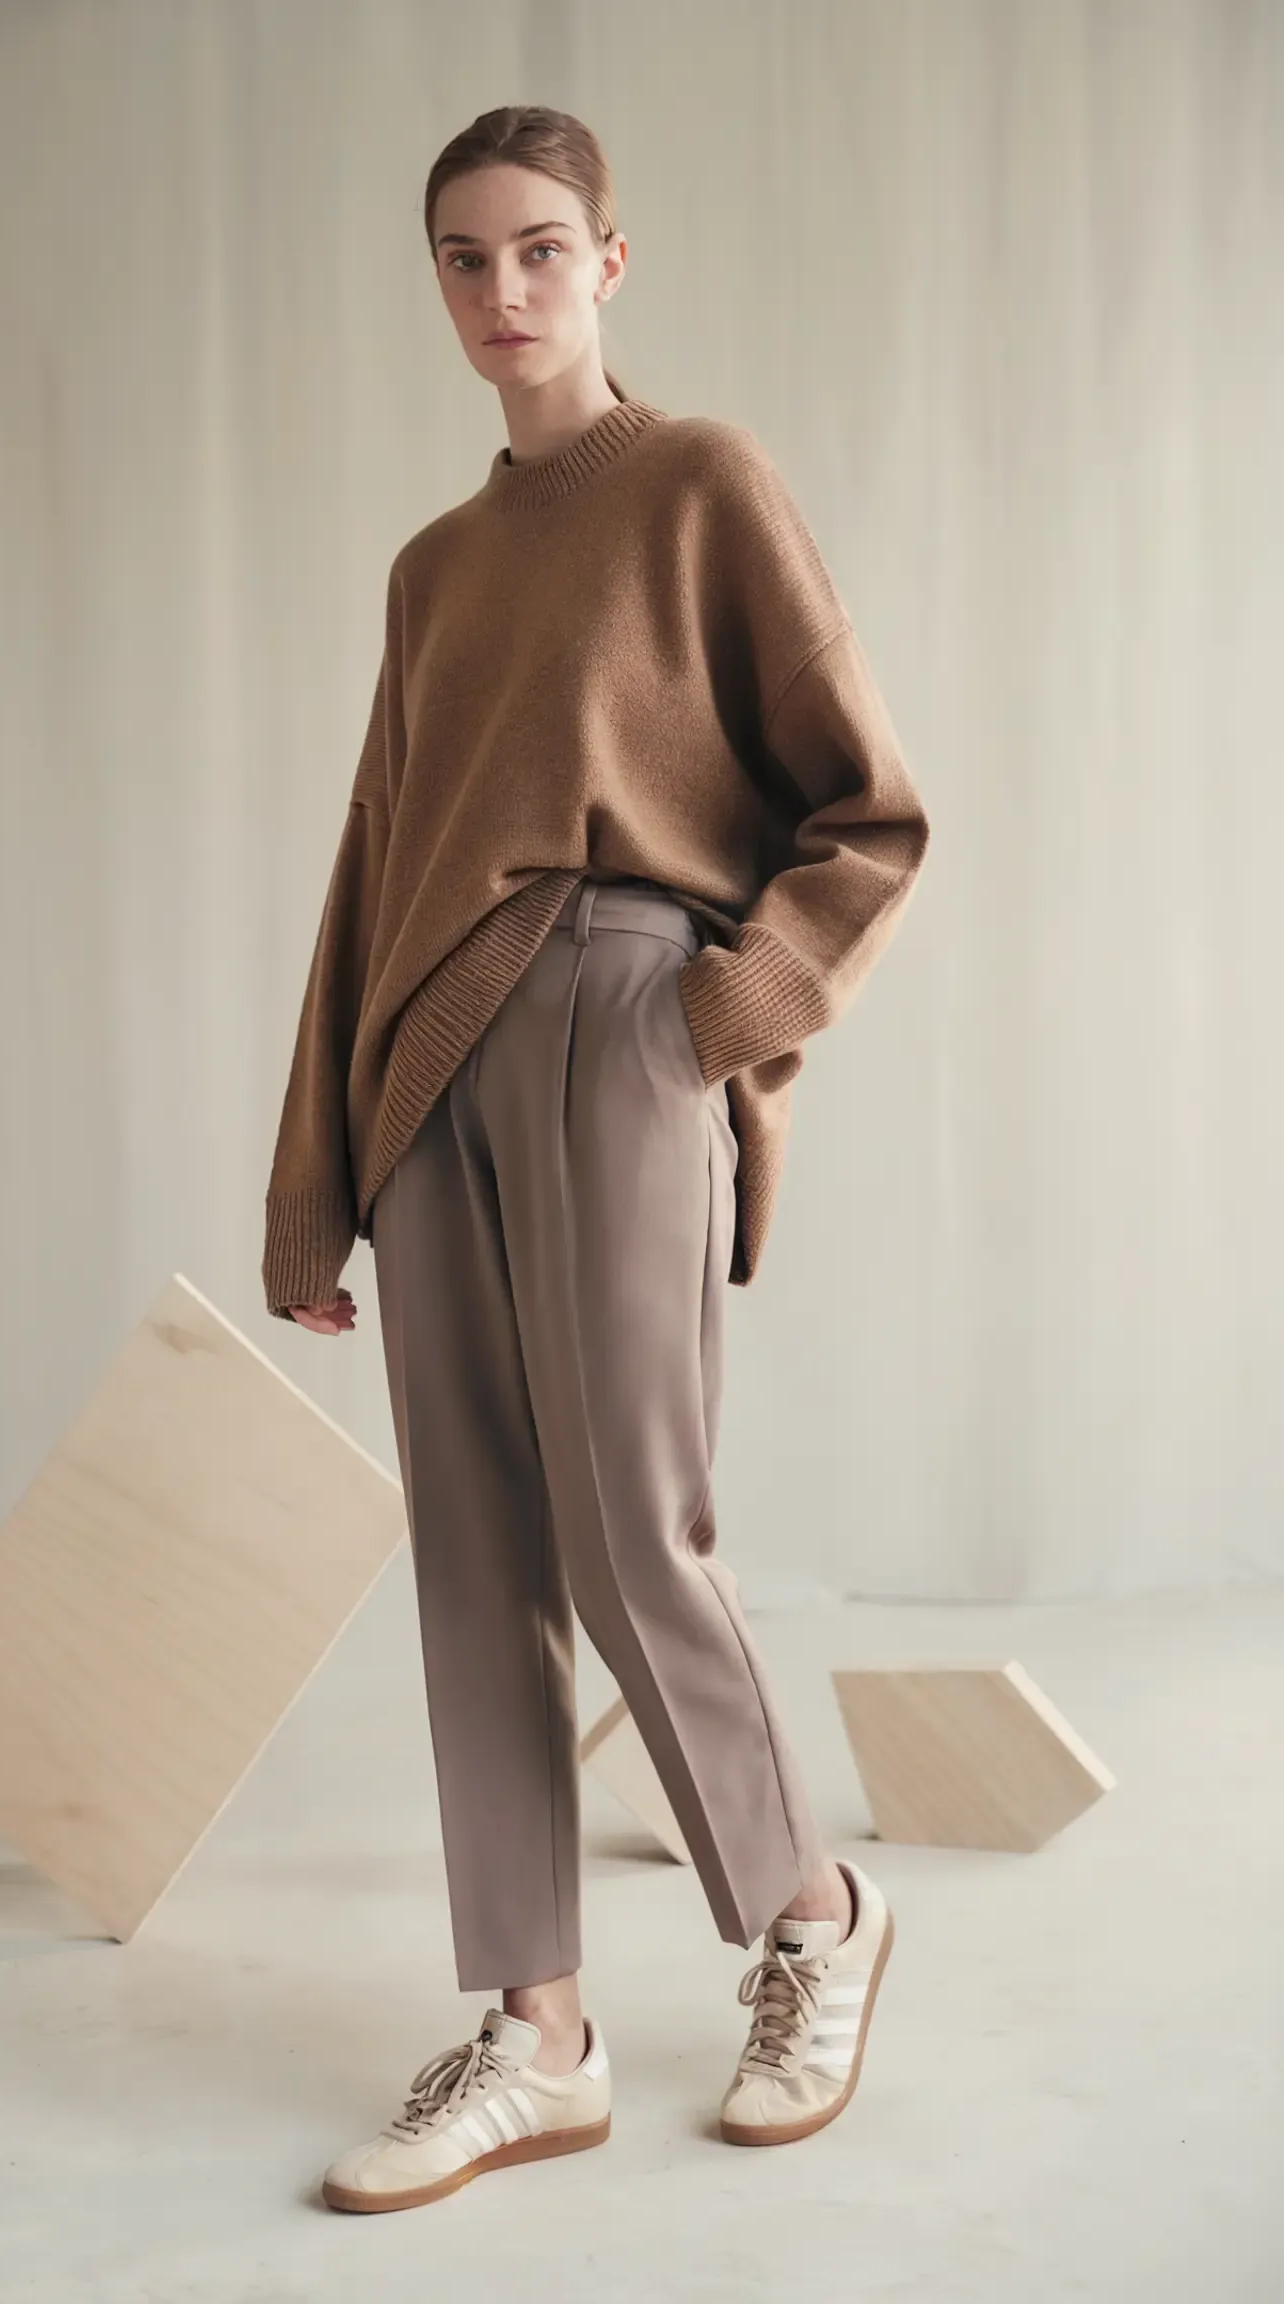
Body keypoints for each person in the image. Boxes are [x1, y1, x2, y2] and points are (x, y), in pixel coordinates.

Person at [262, 104, 930, 2215]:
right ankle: (535, 2033)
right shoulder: (432, 570)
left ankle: (812, 1916)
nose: (500, 294)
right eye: (462, 259)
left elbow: (869, 812)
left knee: (640, 1524)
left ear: (610, 263)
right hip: (427, 1070)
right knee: (473, 1548)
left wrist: (718, 1021)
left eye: (539, 250)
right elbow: (373, 873)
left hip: (625, 1006)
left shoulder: (700, 485)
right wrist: (312, 1176)